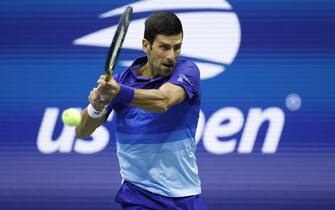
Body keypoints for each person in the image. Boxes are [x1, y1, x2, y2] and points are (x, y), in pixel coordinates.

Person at [76, 11, 208, 210]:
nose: (171, 56)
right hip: (139, 195)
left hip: (186, 195)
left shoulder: (187, 71)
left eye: (177, 47)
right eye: (164, 47)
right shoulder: (121, 80)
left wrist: (119, 92)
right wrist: (95, 107)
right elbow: (82, 131)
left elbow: (163, 101)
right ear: (146, 45)